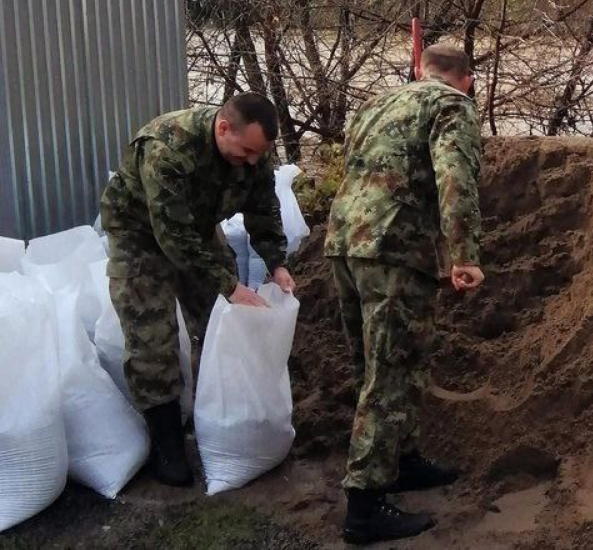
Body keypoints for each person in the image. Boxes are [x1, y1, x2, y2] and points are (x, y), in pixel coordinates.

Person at [325, 44, 485, 544]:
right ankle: (365, 507)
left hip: (345, 245)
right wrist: (463, 254)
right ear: (468, 79)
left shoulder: (377, 102)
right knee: (390, 373)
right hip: (394, 249)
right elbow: (456, 176)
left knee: (379, 367)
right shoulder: (451, 105)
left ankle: (402, 461)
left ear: (421, 69)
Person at [100, 92, 296, 487]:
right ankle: (167, 440)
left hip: (199, 229)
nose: (252, 162)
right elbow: (171, 234)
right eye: (244, 152)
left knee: (221, 322)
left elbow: (263, 206)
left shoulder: (253, 150)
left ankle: (219, 410)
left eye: (259, 154)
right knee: (151, 336)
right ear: (223, 128)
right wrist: (229, 284)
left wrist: (276, 262)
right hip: (140, 234)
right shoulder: (167, 148)